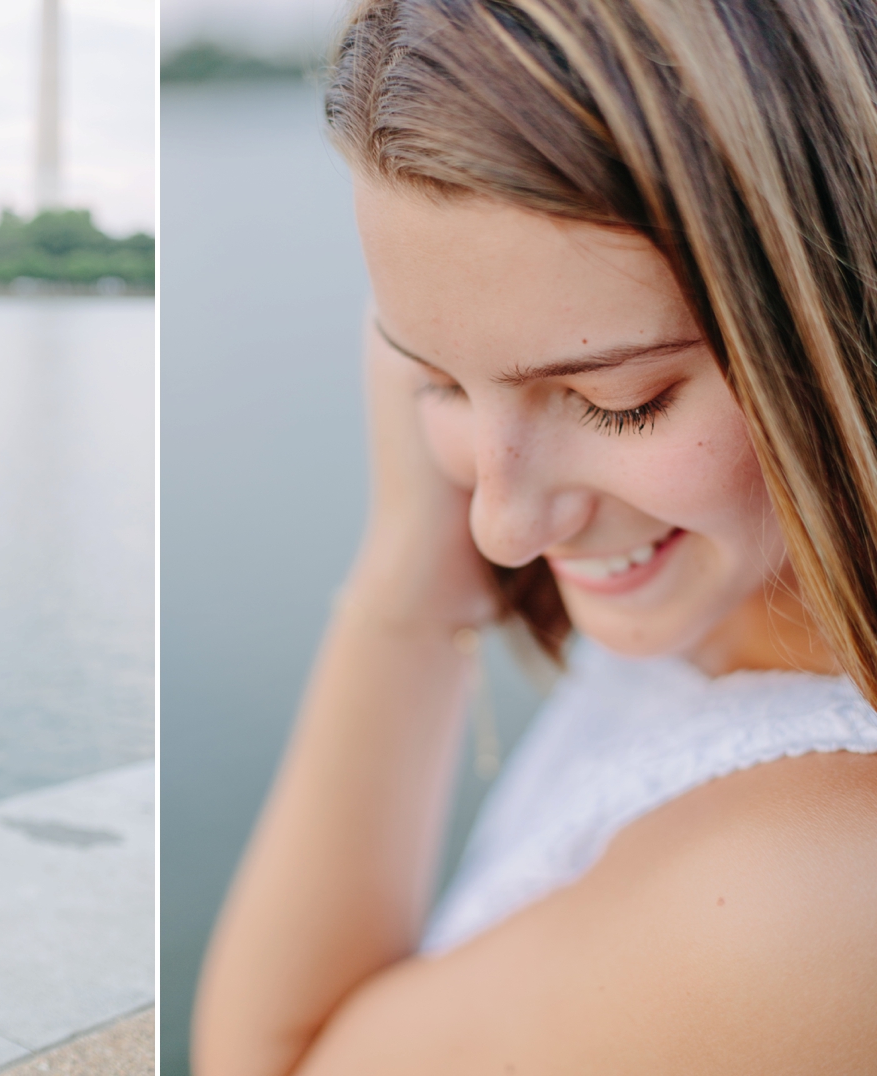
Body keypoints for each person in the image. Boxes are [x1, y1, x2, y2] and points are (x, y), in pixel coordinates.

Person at [194, 1, 877, 1071]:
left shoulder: (809, 899)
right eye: (434, 375)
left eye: (622, 399)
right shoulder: (739, 589)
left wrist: (406, 593)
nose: (499, 528)